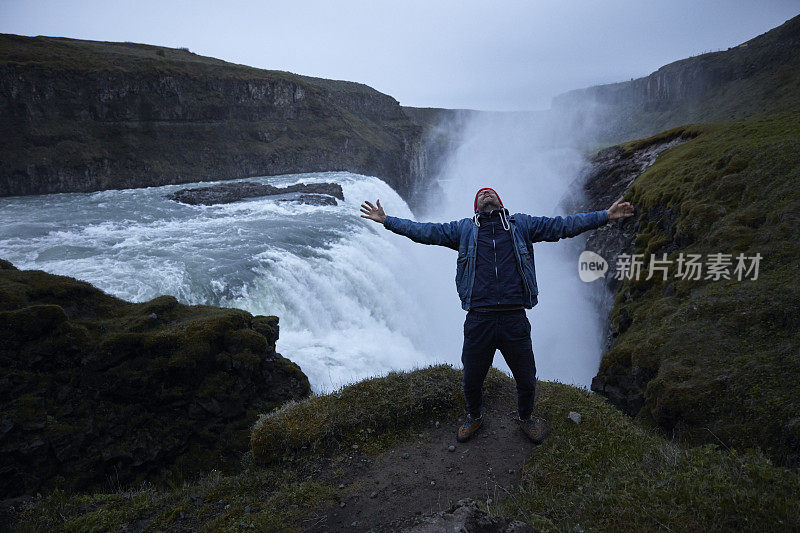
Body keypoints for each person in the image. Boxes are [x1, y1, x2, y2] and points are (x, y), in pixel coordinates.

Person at [360, 188, 634, 443]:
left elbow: (563, 226)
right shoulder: (463, 230)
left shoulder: (522, 225)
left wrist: (605, 216)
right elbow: (424, 231)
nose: (486, 194)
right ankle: (475, 416)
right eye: (481, 195)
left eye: (491, 193)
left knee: (526, 377)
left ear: (501, 203)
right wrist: (387, 220)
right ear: (476, 208)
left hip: (514, 317)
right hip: (479, 318)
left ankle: (526, 418)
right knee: (472, 377)